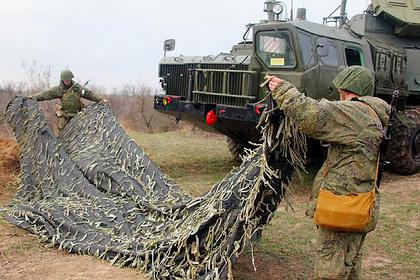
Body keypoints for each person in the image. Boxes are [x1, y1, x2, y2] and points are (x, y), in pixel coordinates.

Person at [267, 66, 390, 280]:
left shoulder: (356, 113)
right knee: (349, 263)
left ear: (345, 89)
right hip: (360, 203)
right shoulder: (373, 113)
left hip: (342, 206)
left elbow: (314, 115)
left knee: (329, 269)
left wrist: (283, 89)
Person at [29, 69, 106, 131]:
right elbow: (45, 94)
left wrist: (101, 100)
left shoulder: (78, 88)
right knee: (62, 134)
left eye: (68, 80)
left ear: (71, 79)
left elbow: (90, 94)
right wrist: (33, 98)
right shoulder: (59, 90)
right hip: (65, 116)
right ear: (62, 80)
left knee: (79, 133)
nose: (67, 81)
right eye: (65, 80)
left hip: (77, 115)